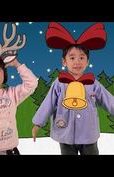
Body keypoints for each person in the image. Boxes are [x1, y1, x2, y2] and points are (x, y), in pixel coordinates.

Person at [32, 22, 114, 155]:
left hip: (88, 134)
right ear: (64, 61)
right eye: (72, 57)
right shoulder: (58, 83)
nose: (77, 61)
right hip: (65, 133)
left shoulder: (93, 84)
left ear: (87, 61)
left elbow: (108, 100)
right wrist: (37, 123)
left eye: (82, 57)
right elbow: (48, 103)